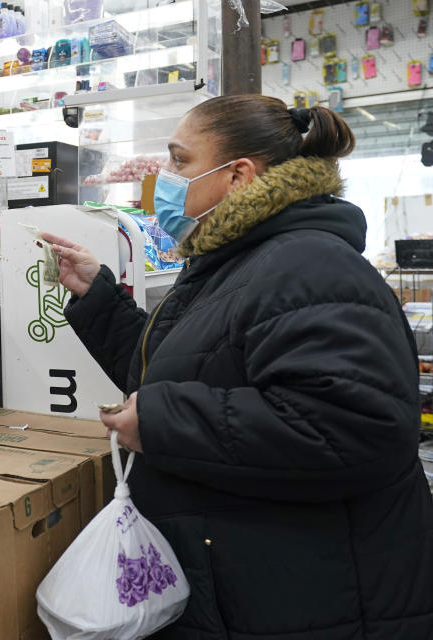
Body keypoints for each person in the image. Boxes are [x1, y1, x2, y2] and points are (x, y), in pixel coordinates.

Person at [45, 95, 433, 639]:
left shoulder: (309, 266)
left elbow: (349, 427)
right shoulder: (236, 260)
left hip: (311, 597)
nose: (166, 178)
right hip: (258, 580)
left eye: (179, 161)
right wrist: (99, 300)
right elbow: (184, 371)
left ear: (238, 176)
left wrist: (161, 422)